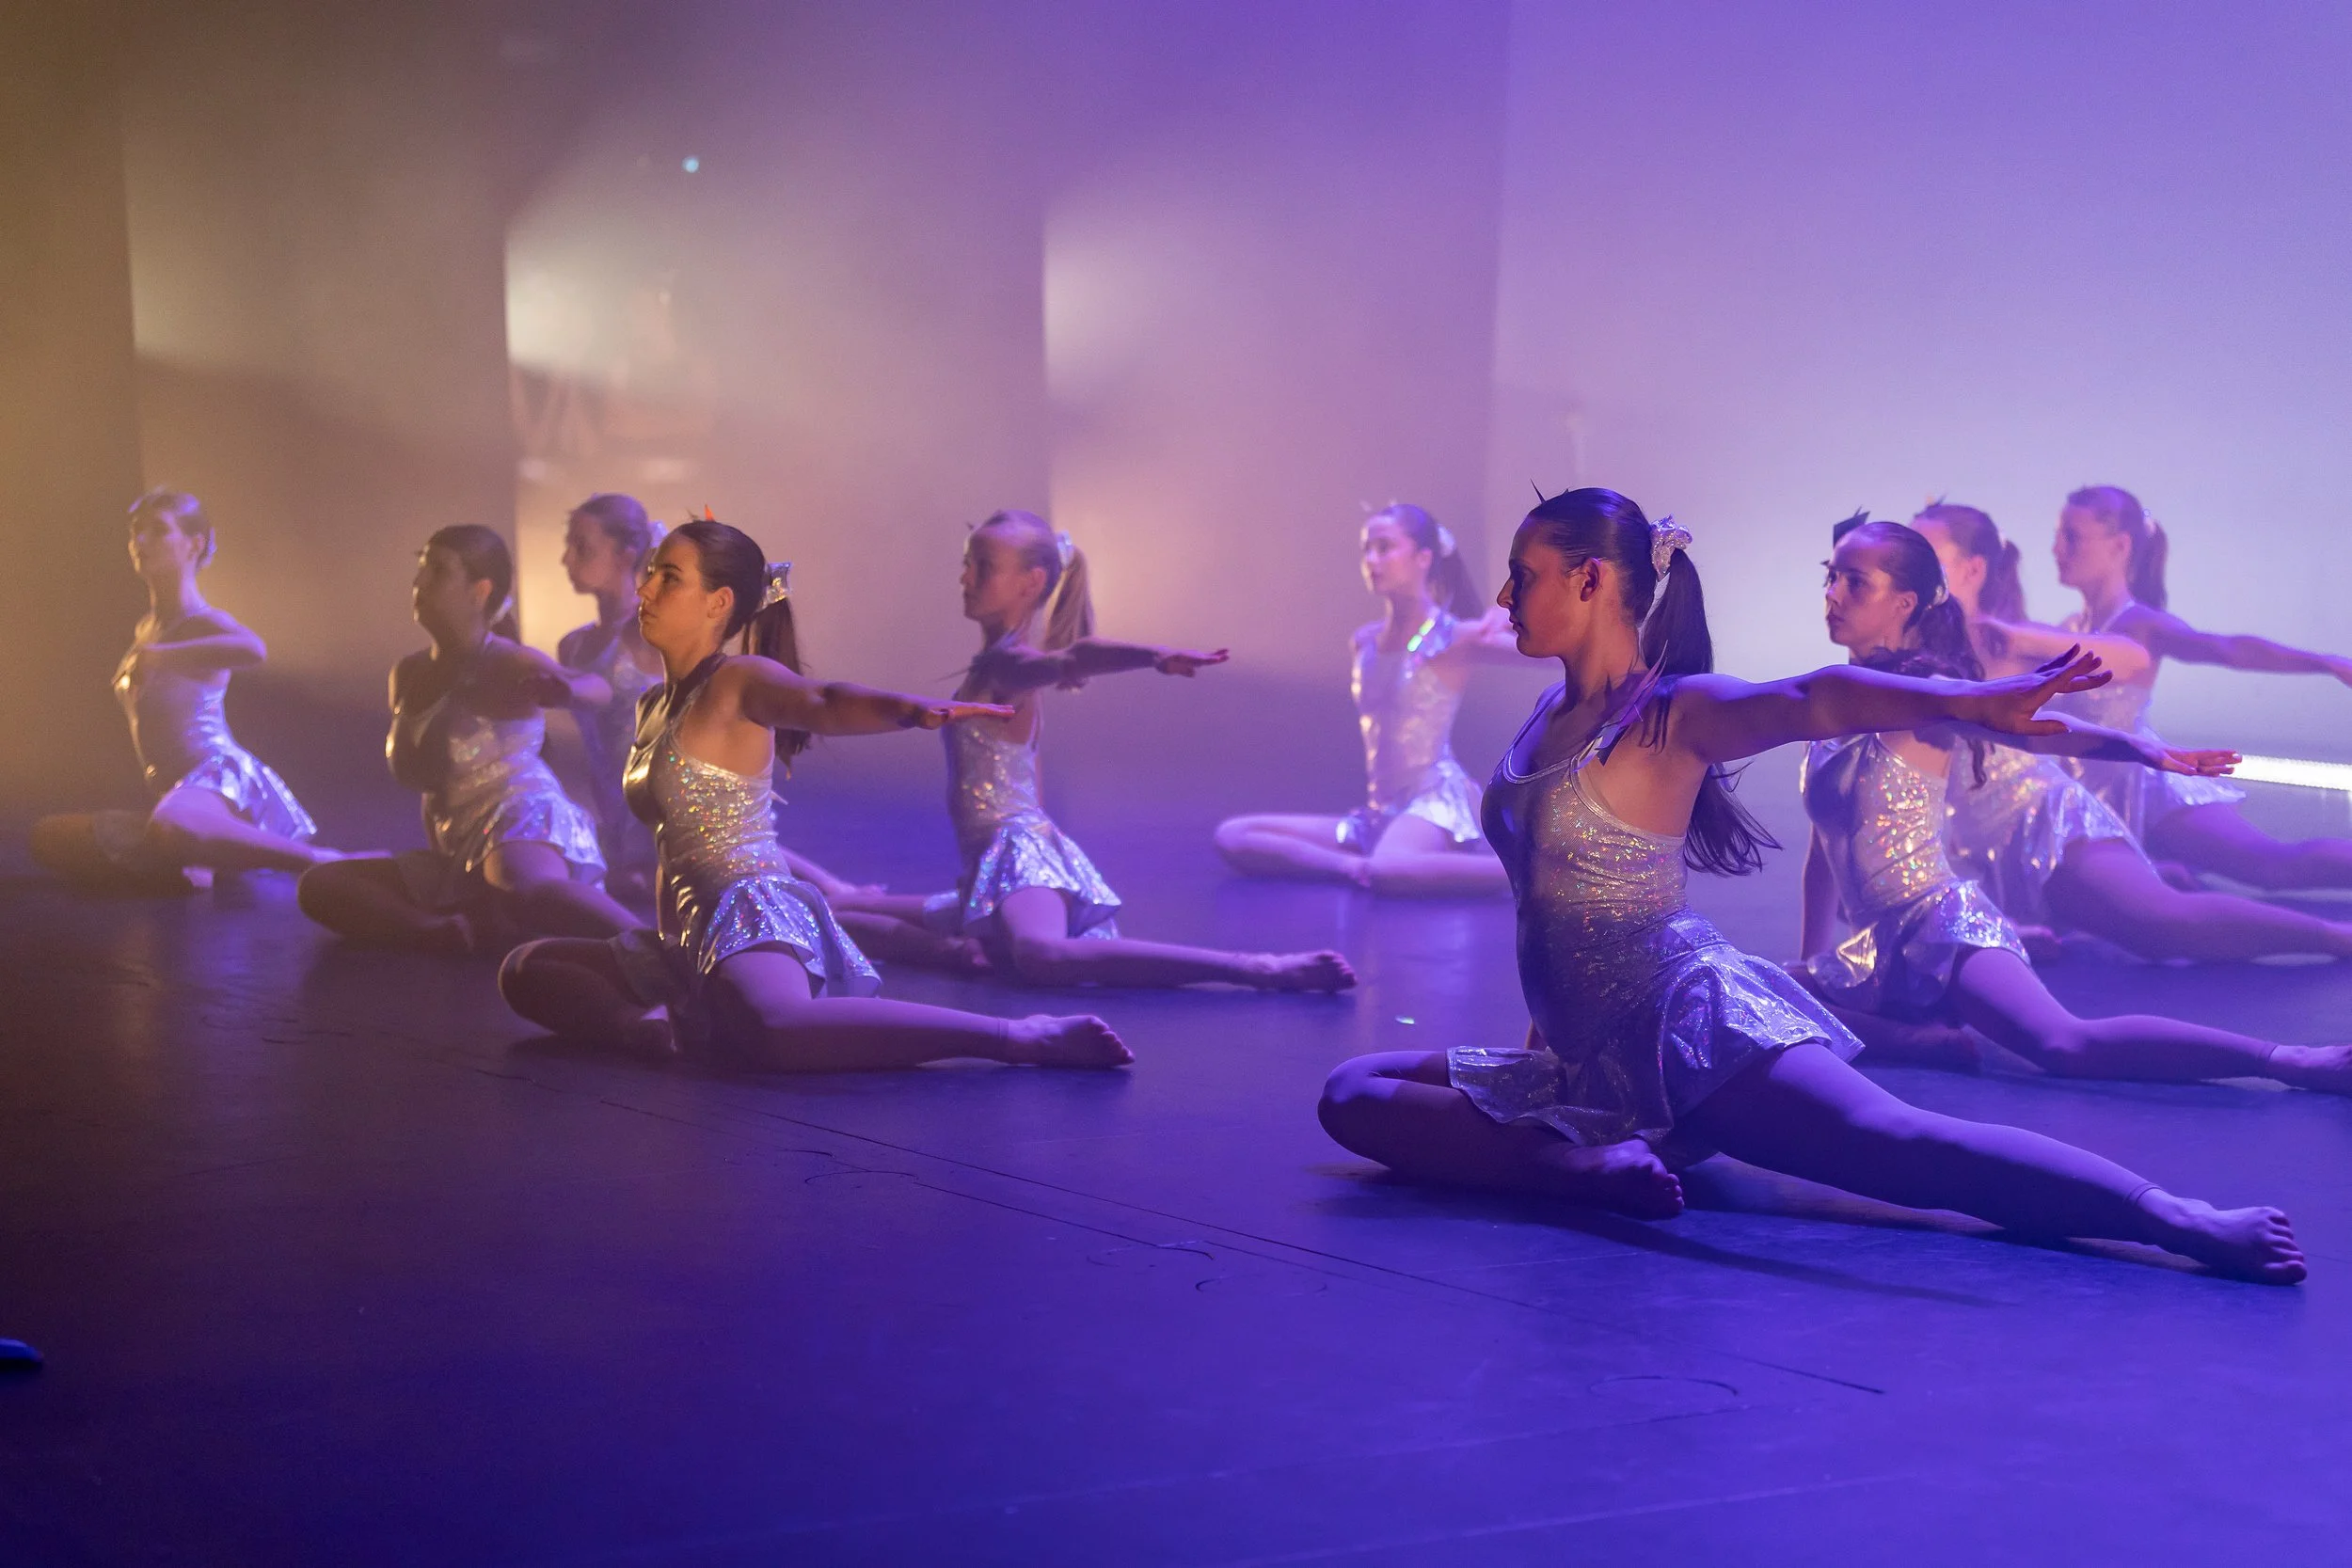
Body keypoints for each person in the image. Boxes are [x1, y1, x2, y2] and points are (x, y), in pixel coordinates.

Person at [1317, 487, 2305, 1283]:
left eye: (1523, 575)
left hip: (1684, 1029)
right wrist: (1552, 1048)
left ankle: (2175, 1216)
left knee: (1903, 1143)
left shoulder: (1671, 712)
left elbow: (1815, 696)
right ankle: (1577, 1162)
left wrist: (1978, 699)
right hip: (1584, 1062)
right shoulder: (1544, 712)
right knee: (1351, 1090)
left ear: (1589, 579)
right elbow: (1548, 909)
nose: (1502, 595)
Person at [496, 517, 1131, 1069]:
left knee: (777, 1029)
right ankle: (649, 1025)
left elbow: (822, 700)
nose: (645, 590)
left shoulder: (738, 680)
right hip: (682, 934)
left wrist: (911, 710)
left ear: (718, 603)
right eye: (651, 575)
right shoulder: (654, 705)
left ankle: (1017, 1035)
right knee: (525, 968)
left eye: (668, 578)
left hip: (746, 909)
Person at [1796, 521, 2352, 1096]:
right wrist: (1813, 967)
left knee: (2065, 1040)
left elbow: (2034, 727)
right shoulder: (1825, 704)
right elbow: (1824, 850)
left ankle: (2291, 1059)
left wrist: (2143, 750)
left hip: (1941, 921)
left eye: (1855, 582)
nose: (1833, 595)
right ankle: (1913, 1036)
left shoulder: (1935, 692)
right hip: (1879, 941)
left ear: (1904, 602)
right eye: (1831, 578)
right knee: (1775, 986)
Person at [834, 510, 1356, 991]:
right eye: (966, 565)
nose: (965, 578)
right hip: (987, 867)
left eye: (983, 567)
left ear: (1031, 582)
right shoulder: (990, 664)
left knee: (1043, 954)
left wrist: (1153, 656)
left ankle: (1258, 967)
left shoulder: (1010, 665)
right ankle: (959, 948)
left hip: (1019, 854)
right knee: (834, 915)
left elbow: (1075, 658)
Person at [1915, 503, 2352, 960]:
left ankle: (2331, 936)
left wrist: (2323, 663)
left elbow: (2216, 649)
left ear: (2120, 546)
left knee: (2263, 867)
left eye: (2072, 537)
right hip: (2080, 789)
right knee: (2153, 918)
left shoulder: (2121, 625)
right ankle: (2151, 872)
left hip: (2134, 782)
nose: (2057, 549)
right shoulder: (2067, 627)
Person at [295, 526, 635, 955]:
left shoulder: (505, 660)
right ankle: (438, 929)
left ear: (480, 591)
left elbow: (595, 688)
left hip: (519, 821)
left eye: (437, 571)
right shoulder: (408, 673)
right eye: (421, 569)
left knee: (520, 885)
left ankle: (653, 946)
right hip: (456, 848)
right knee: (321, 885)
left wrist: (565, 691)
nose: (419, 583)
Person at [32, 489, 332, 891]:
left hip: (220, 779)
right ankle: (191, 856)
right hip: (177, 793)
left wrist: (158, 657)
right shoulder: (145, 628)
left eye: (158, 531)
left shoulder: (204, 622)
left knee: (172, 824)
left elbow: (253, 649)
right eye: (136, 531)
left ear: (195, 544)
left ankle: (324, 861)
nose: (140, 542)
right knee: (49, 836)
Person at [1212, 504, 1516, 896]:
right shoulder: (1364, 642)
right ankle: (1356, 868)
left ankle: (1528, 872)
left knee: (1391, 867)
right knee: (1234, 835)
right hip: (1379, 812)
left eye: (1385, 548)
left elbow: (1554, 654)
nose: (1372, 560)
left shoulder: (1454, 637)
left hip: (1434, 801)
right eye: (1367, 550)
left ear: (1423, 558)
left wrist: (1515, 614)